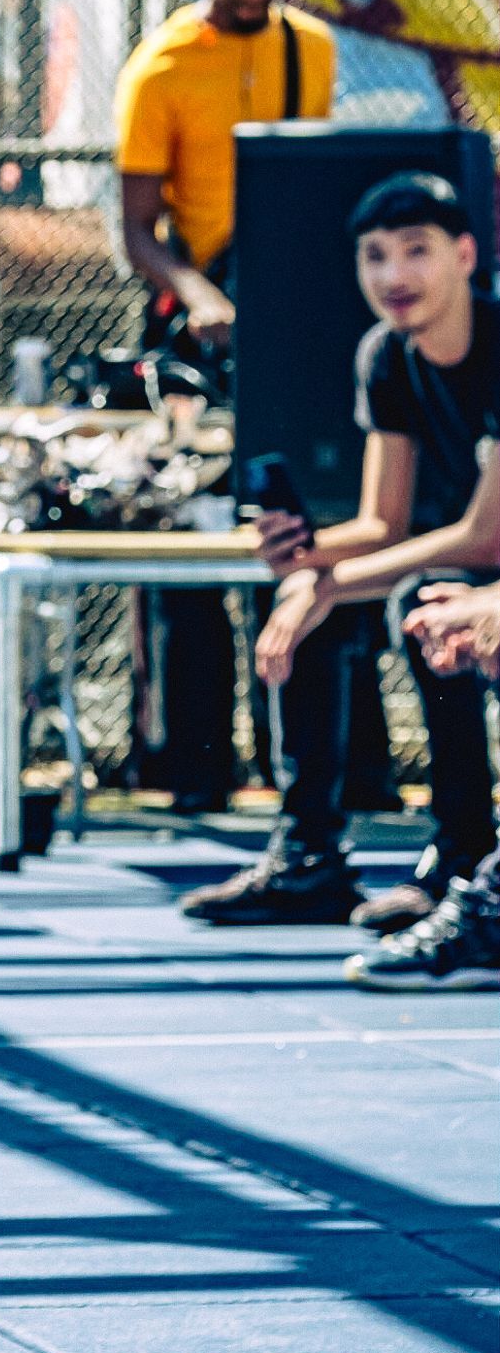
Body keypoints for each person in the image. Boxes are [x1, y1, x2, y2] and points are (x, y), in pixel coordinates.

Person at [182, 172, 497, 929]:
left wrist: (330, 581)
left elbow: (486, 536)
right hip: (460, 559)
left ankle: (464, 855)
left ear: (463, 254)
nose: (392, 275)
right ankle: (309, 858)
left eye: (415, 251)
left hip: (480, 555)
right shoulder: (385, 357)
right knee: (302, 604)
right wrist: (308, 563)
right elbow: (380, 523)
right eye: (374, 256)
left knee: (417, 606)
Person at [115, 0, 339, 811]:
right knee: (191, 538)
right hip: (197, 327)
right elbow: (134, 231)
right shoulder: (161, 66)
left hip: (284, 324)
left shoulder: (310, 48)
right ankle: (194, 768)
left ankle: (308, 769)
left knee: (291, 529)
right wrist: (202, 296)